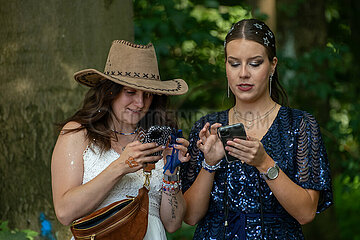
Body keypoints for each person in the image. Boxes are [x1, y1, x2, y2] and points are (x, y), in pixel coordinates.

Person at [181, 19, 333, 239]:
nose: (243, 73)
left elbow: (306, 213)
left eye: (254, 63)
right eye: (234, 63)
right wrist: (209, 164)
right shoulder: (208, 127)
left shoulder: (299, 124)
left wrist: (265, 163)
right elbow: (191, 217)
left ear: (272, 65)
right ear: (225, 66)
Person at [51, 40, 190, 240]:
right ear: (110, 91)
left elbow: (173, 224)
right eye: (130, 92)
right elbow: (64, 213)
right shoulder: (77, 133)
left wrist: (171, 172)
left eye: (148, 94)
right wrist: (120, 166)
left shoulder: (159, 139)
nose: (140, 103)